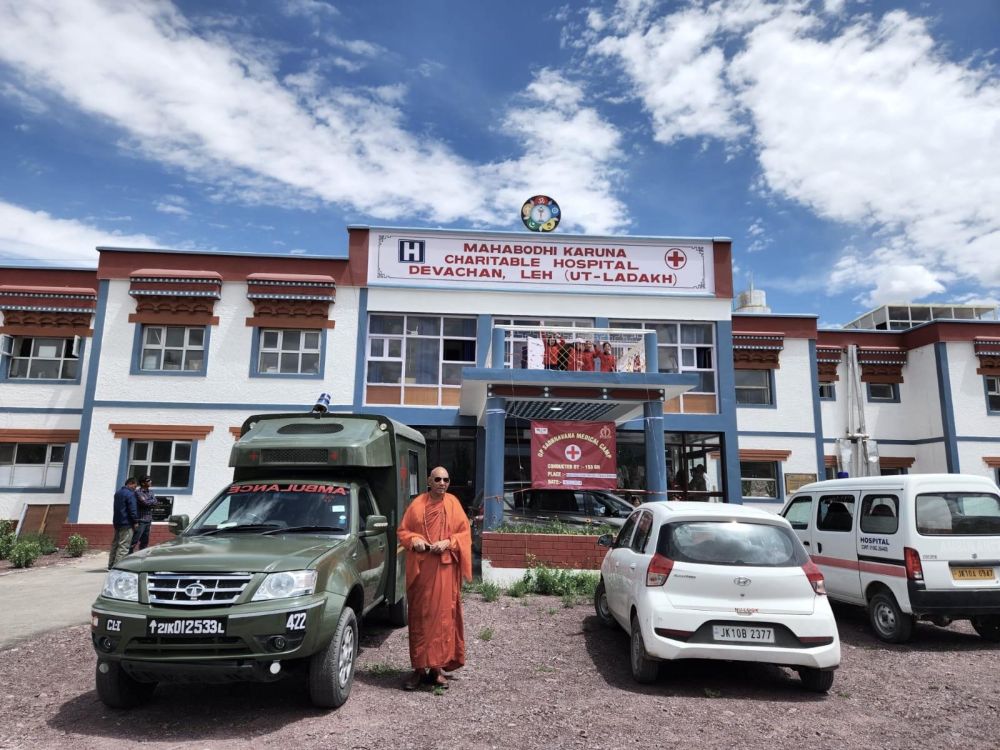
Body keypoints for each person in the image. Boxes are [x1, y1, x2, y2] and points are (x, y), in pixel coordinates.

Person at [396, 466, 473, 691]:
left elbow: (464, 534)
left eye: (446, 479)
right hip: (422, 571)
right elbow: (402, 532)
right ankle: (419, 669)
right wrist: (415, 540)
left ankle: (436, 669)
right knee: (420, 618)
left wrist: (449, 542)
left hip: (445, 570)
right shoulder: (417, 505)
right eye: (437, 479)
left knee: (443, 620)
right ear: (429, 481)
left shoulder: (453, 504)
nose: (442, 483)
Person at [109, 477, 139, 569]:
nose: (135, 488)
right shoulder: (130, 494)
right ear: (130, 483)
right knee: (124, 546)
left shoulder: (118, 493)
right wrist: (135, 521)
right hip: (127, 523)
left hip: (117, 522)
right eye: (135, 486)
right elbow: (132, 509)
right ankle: (118, 567)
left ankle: (110, 565)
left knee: (115, 544)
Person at [131, 475, 157, 552]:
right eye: (148, 481)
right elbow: (145, 503)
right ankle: (128, 555)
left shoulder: (151, 492)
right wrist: (151, 501)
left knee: (145, 541)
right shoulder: (138, 492)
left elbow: (155, 502)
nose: (150, 482)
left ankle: (142, 556)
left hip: (148, 519)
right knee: (135, 540)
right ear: (143, 483)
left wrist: (150, 501)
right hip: (141, 520)